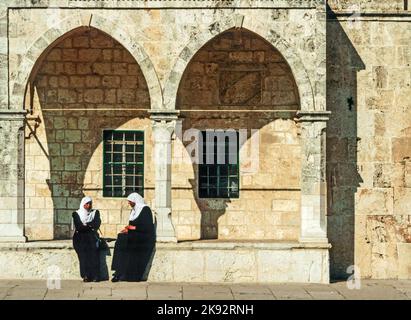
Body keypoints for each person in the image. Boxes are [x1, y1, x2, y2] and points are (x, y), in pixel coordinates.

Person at [111, 192, 155, 282]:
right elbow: (131, 225)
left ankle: (125, 274)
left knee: (125, 241)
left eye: (130, 201)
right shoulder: (134, 210)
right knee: (120, 238)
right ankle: (118, 270)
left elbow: (147, 227)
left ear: (135, 201)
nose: (129, 203)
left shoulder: (145, 209)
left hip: (143, 237)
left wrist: (133, 228)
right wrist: (128, 229)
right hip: (134, 235)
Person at [72, 196, 101, 282]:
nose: (89, 205)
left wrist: (86, 225)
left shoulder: (95, 212)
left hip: (91, 237)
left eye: (90, 203)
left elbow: (96, 224)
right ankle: (86, 275)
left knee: (93, 255)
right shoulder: (76, 214)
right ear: (83, 204)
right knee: (83, 256)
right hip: (79, 238)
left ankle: (95, 275)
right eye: (87, 204)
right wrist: (89, 225)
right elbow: (79, 227)